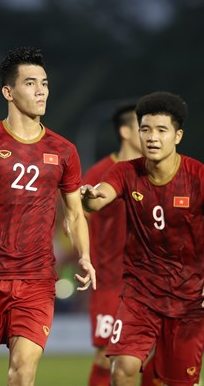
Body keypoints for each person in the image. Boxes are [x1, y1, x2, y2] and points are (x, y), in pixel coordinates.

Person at [0, 46, 96, 386]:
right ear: (8, 92)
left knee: (23, 371)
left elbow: (74, 213)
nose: (41, 91)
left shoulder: (64, 150)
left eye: (45, 83)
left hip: (36, 279)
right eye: (31, 83)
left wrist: (84, 256)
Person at [81, 91, 204, 386]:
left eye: (161, 130)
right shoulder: (125, 172)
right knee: (122, 367)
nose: (152, 137)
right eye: (145, 129)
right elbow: (99, 198)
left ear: (177, 135)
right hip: (139, 295)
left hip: (188, 300)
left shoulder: (202, 178)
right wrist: (90, 198)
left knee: (175, 381)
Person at [83, 101, 142, 386]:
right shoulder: (99, 173)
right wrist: (84, 253)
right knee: (106, 353)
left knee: (145, 357)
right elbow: (76, 217)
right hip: (110, 281)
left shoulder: (154, 172)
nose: (151, 135)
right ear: (126, 132)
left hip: (148, 281)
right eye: (143, 128)